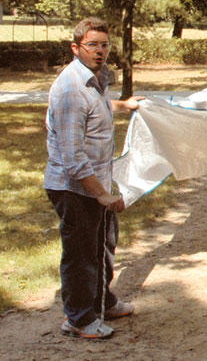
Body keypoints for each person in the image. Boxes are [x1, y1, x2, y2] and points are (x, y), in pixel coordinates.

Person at [44, 17, 144, 339]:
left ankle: (102, 301)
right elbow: (73, 159)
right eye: (92, 45)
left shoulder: (93, 80)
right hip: (75, 188)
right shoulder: (71, 89)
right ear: (76, 48)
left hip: (94, 183)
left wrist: (122, 104)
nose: (100, 51)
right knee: (81, 255)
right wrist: (101, 194)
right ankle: (78, 319)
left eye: (104, 45)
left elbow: (96, 110)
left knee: (103, 247)